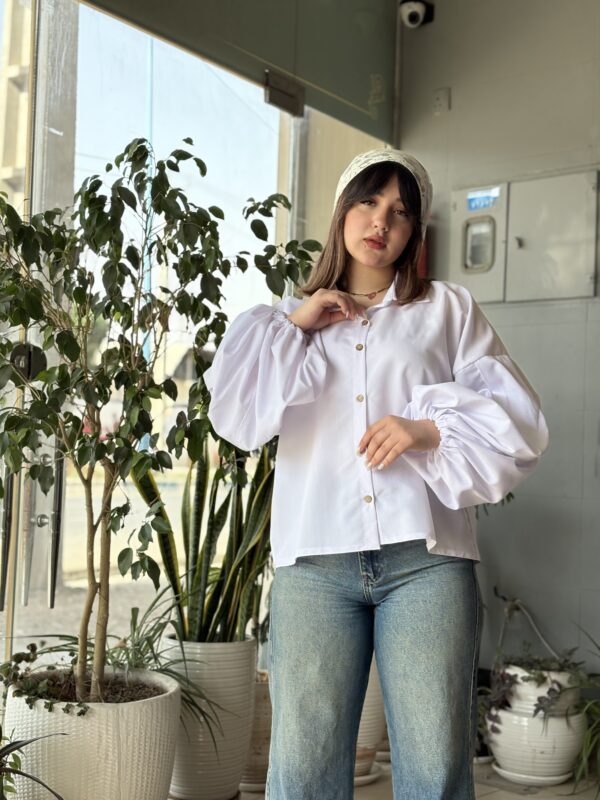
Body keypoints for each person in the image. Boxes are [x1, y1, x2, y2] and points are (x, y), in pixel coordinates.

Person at [202, 149, 549, 800]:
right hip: (314, 567)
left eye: (400, 211)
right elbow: (236, 417)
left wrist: (428, 429)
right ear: (342, 211)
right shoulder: (285, 321)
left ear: (414, 232)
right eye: (367, 201)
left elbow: (519, 422)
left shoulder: (448, 309)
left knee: (434, 770)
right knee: (302, 773)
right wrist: (295, 326)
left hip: (427, 564)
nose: (381, 221)